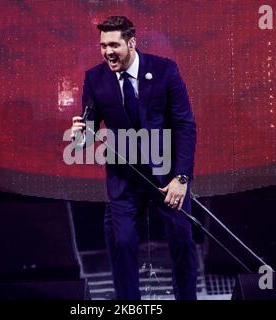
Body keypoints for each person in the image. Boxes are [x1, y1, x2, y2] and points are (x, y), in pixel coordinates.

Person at [70, 16, 197, 300]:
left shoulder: (164, 70)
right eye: (103, 46)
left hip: (167, 175)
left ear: (131, 43)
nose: (107, 52)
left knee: (182, 239)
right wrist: (79, 134)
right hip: (124, 178)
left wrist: (181, 177)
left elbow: (184, 125)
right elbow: (89, 134)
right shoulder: (95, 78)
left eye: (114, 44)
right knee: (122, 241)